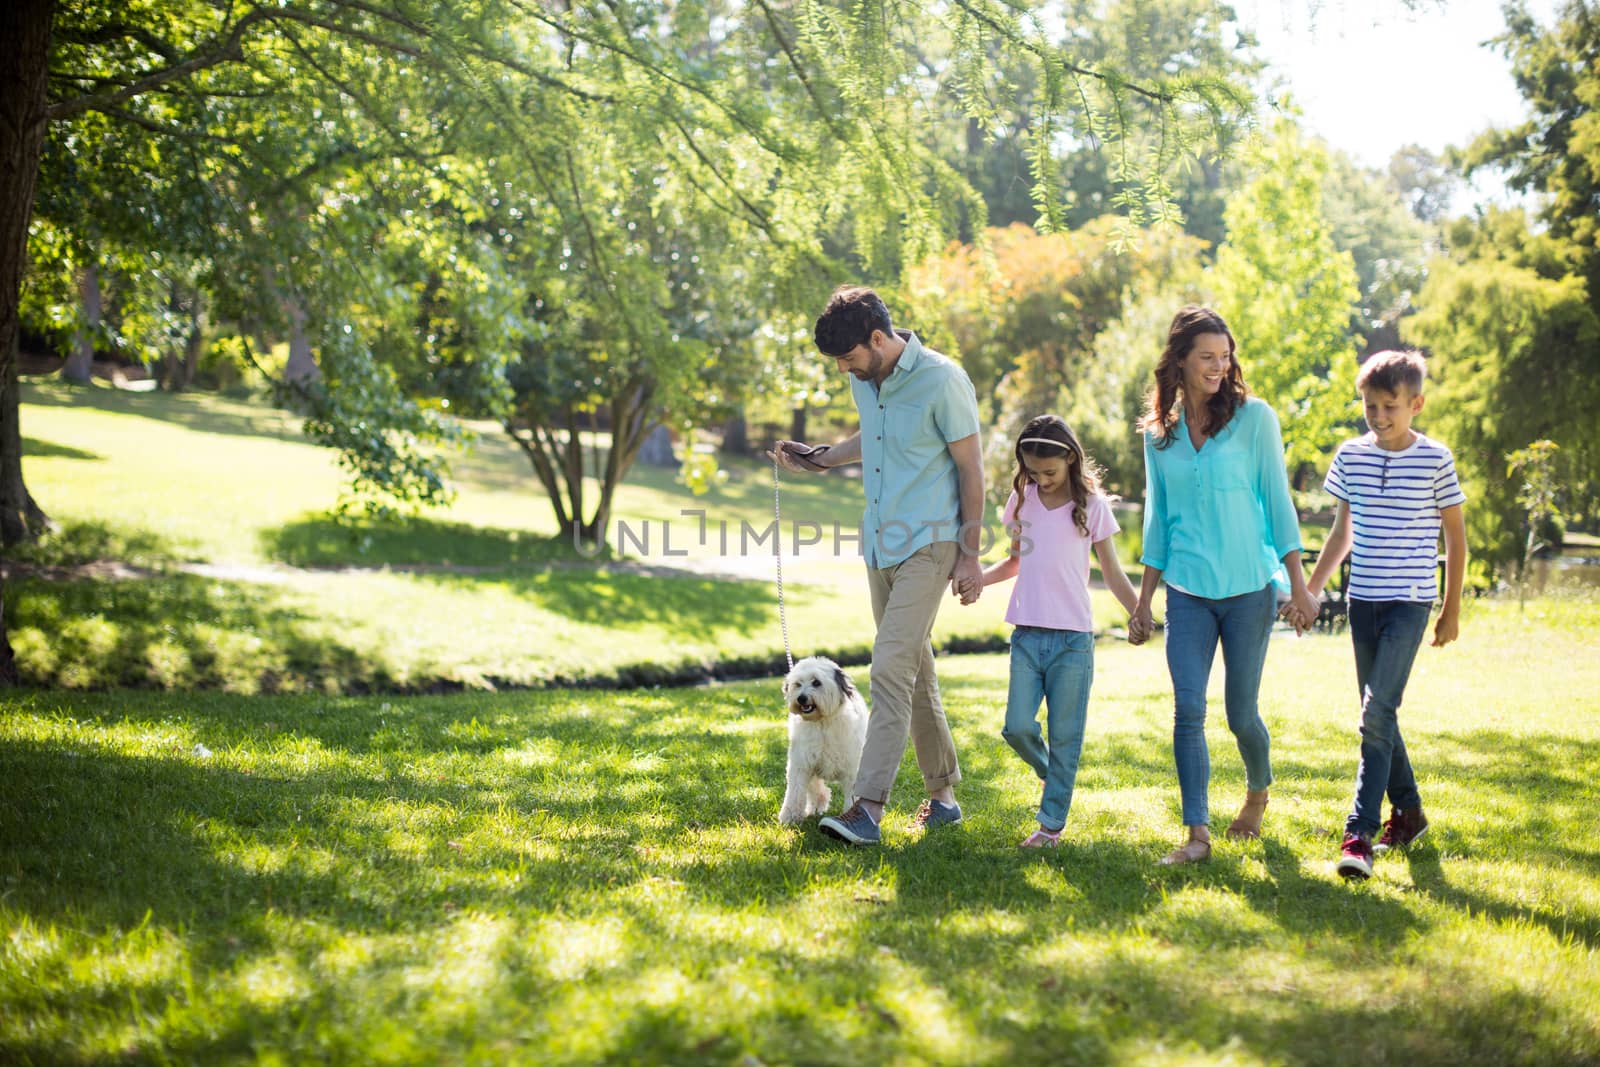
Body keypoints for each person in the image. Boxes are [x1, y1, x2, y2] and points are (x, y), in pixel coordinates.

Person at [768, 285, 985, 846]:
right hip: (881, 546)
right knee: (918, 674)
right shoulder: (870, 380)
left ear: (878, 338)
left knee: (888, 668)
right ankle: (944, 798)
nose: (844, 370)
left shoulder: (943, 379)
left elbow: (971, 469)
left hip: (931, 543)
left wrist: (970, 554)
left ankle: (866, 808)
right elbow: (877, 438)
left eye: (848, 358)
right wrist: (818, 459)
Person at [1131, 306, 1321, 866]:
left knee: (1241, 714)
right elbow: (1157, 520)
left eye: (1224, 356)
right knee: (1188, 709)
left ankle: (1258, 791)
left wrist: (1299, 586)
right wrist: (1143, 599)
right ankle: (1197, 834)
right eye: (1206, 357)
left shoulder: (1255, 419)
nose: (1219, 366)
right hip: (1187, 590)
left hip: (1246, 590)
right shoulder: (1159, 436)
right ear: (1181, 362)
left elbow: (1278, 501)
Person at [1298, 349, 1466, 880]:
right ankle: (1410, 812)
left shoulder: (1436, 459)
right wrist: (1311, 588)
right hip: (1362, 602)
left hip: (1410, 602)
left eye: (1390, 406)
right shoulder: (1351, 456)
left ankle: (1360, 834)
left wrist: (1450, 608)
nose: (1379, 416)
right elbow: (1341, 533)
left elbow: (1456, 539)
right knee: (1380, 714)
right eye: (1370, 406)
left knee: (1374, 714)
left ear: (1416, 403)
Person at [980, 415, 1144, 848]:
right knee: (1016, 727)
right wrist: (980, 579)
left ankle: (1050, 826)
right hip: (1028, 634)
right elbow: (1015, 560)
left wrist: (1138, 611)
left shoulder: (1092, 507)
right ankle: (1052, 775)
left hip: (1073, 639)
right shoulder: (1023, 501)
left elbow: (1111, 571)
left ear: (1070, 459)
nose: (1041, 479)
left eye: (1048, 472)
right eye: (1033, 472)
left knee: (1066, 735)